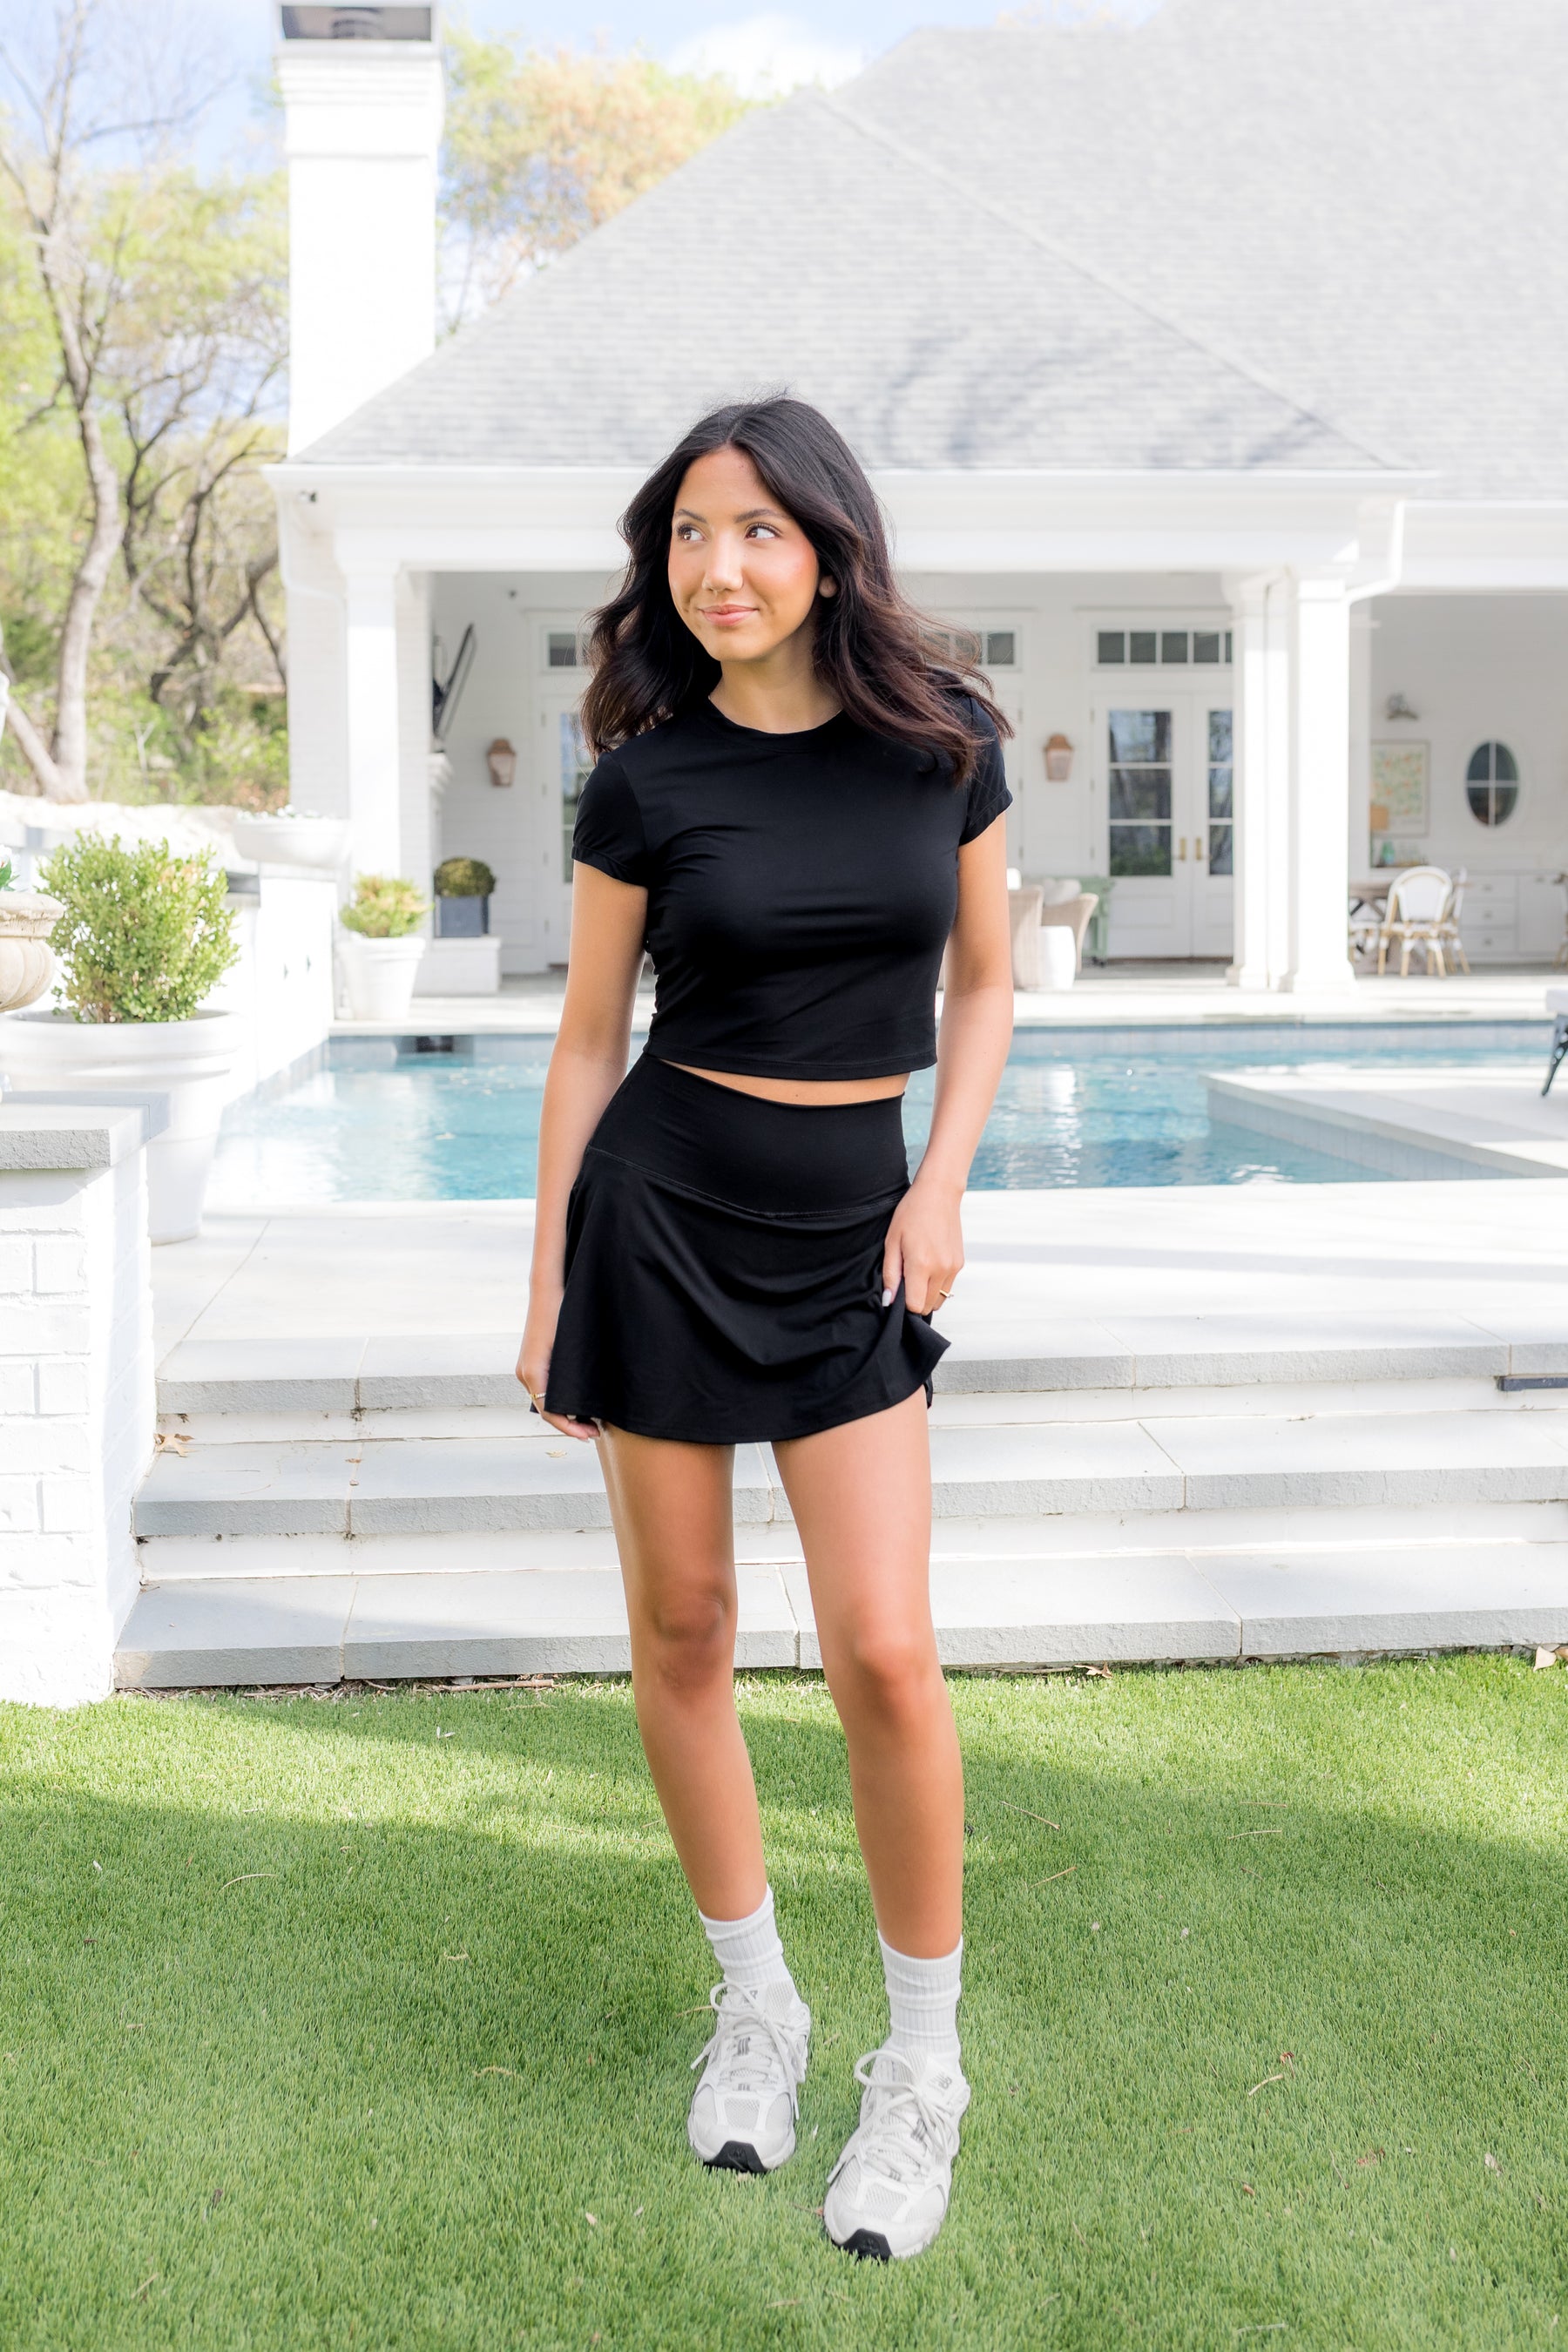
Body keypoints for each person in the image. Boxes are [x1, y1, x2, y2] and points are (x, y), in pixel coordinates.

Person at [516, 395, 1014, 2261]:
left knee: (886, 1652)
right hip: (658, 1220)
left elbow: (982, 986)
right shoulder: (643, 778)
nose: (719, 569)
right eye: (690, 537)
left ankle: (922, 2073)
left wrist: (944, 1179)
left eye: (756, 532)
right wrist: (553, 1275)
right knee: (688, 1629)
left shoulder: (944, 746)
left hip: (851, 1238)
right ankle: (760, 2004)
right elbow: (583, 1038)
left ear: (827, 548)